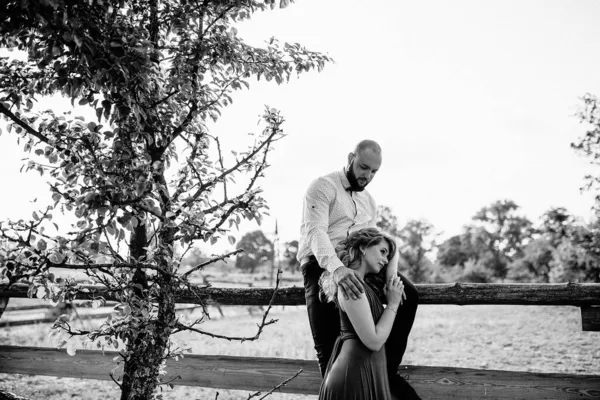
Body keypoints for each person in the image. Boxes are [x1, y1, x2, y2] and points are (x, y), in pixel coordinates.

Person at [297, 139, 420, 398]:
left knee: (409, 294)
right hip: (321, 265)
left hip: (358, 264)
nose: (368, 175)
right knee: (327, 342)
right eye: (364, 168)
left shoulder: (370, 202)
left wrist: (389, 275)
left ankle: (385, 370)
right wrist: (337, 269)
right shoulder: (323, 186)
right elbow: (315, 232)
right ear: (351, 157)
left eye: (374, 172)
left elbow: (374, 240)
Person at [318, 228, 406, 400]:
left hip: (362, 372)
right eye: (382, 252)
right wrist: (393, 304)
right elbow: (373, 341)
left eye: (387, 256)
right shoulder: (352, 285)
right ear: (363, 247)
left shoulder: (361, 285)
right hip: (352, 378)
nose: (385, 260)